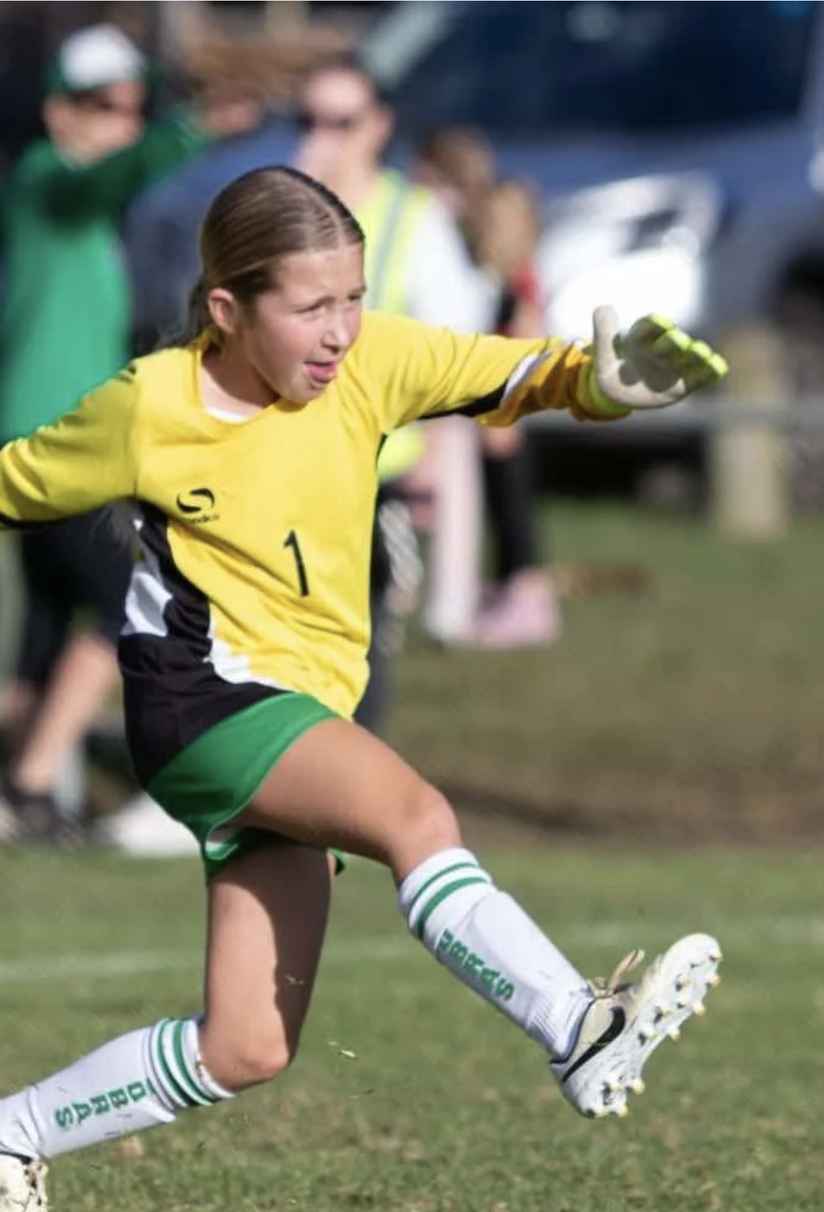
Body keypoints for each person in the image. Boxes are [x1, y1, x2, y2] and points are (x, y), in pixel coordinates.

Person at [0, 165, 733, 1212]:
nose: (340, 331)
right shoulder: (151, 406)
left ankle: (3, 1137)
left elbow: (520, 374)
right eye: (309, 308)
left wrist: (604, 383)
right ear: (227, 310)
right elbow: (14, 480)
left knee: (248, 1045)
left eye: (354, 298)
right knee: (415, 817)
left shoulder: (370, 361)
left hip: (291, 711)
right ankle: (577, 1028)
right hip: (203, 705)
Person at [0, 22, 259, 857]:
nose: (121, 123)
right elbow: (119, 174)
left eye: (135, 107)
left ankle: (29, 786)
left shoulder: (75, 201)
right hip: (54, 444)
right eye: (103, 106)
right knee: (123, 605)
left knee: (50, 619)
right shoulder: (46, 181)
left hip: (45, 439)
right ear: (58, 111)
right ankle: (25, 785)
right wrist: (193, 129)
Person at [293, 56, 496, 721]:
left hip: (379, 474)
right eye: (309, 120)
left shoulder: (412, 219)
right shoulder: (276, 215)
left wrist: (436, 462)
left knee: (356, 646)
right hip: (278, 469)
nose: (324, 136)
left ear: (378, 126)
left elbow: (452, 354)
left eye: (342, 122)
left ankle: (342, 801)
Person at [413, 129, 560, 650]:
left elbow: (521, 309)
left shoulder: (469, 225)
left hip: (494, 378)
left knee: (505, 485)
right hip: (489, 374)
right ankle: (507, 589)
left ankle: (522, 592)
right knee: (497, 485)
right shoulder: (473, 226)